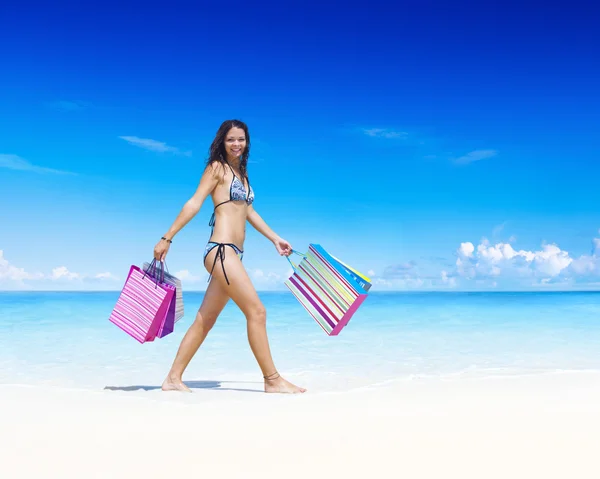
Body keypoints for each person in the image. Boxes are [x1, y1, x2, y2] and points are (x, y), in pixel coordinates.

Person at [153, 119, 306, 394]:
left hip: (234, 254)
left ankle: (172, 379)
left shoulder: (242, 175)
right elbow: (194, 202)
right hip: (220, 251)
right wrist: (167, 237)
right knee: (257, 311)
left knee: (205, 320)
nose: (236, 144)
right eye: (231, 139)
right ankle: (272, 380)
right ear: (221, 142)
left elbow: (248, 212)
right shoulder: (217, 169)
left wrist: (275, 238)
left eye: (241, 139)